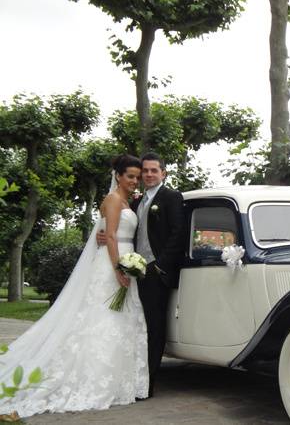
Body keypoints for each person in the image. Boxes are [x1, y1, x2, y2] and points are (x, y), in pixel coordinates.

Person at [0, 155, 148, 418]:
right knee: (101, 320)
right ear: (118, 176)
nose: (135, 181)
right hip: (112, 265)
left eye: (137, 177)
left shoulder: (128, 201)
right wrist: (117, 269)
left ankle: (117, 380)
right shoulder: (114, 200)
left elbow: (111, 233)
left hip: (126, 261)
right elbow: (111, 235)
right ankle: (93, 378)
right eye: (130, 176)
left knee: (121, 322)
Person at [99, 152, 184, 397]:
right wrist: (102, 235)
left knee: (155, 326)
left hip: (156, 272)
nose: (147, 175)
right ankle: (134, 377)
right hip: (134, 270)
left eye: (153, 171)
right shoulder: (135, 202)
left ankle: (148, 383)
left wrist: (159, 266)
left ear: (163, 173)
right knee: (137, 324)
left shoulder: (171, 198)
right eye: (144, 171)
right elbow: (118, 229)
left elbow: (178, 233)